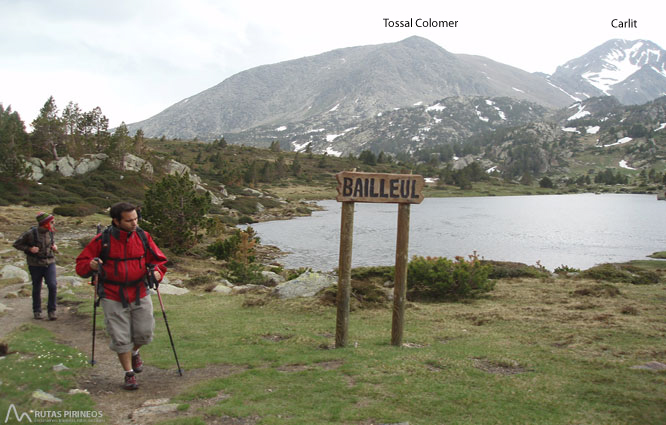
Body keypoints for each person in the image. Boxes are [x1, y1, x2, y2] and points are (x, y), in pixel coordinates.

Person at [75, 202, 167, 390]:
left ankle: (135, 352)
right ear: (116, 221)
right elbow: (81, 265)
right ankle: (129, 374)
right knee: (120, 336)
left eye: (136, 219)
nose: (134, 223)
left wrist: (158, 272)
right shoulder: (102, 240)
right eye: (129, 220)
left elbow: (158, 260)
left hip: (139, 291)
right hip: (112, 294)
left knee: (144, 333)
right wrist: (91, 266)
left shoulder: (143, 236)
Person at [13, 212, 59, 320]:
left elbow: (51, 244)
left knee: (52, 285)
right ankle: (37, 311)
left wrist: (55, 247)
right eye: (52, 222)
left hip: (49, 262)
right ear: (45, 223)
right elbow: (17, 244)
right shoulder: (30, 233)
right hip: (35, 264)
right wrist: (29, 249)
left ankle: (52, 311)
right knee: (37, 287)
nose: (54, 223)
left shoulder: (51, 232)